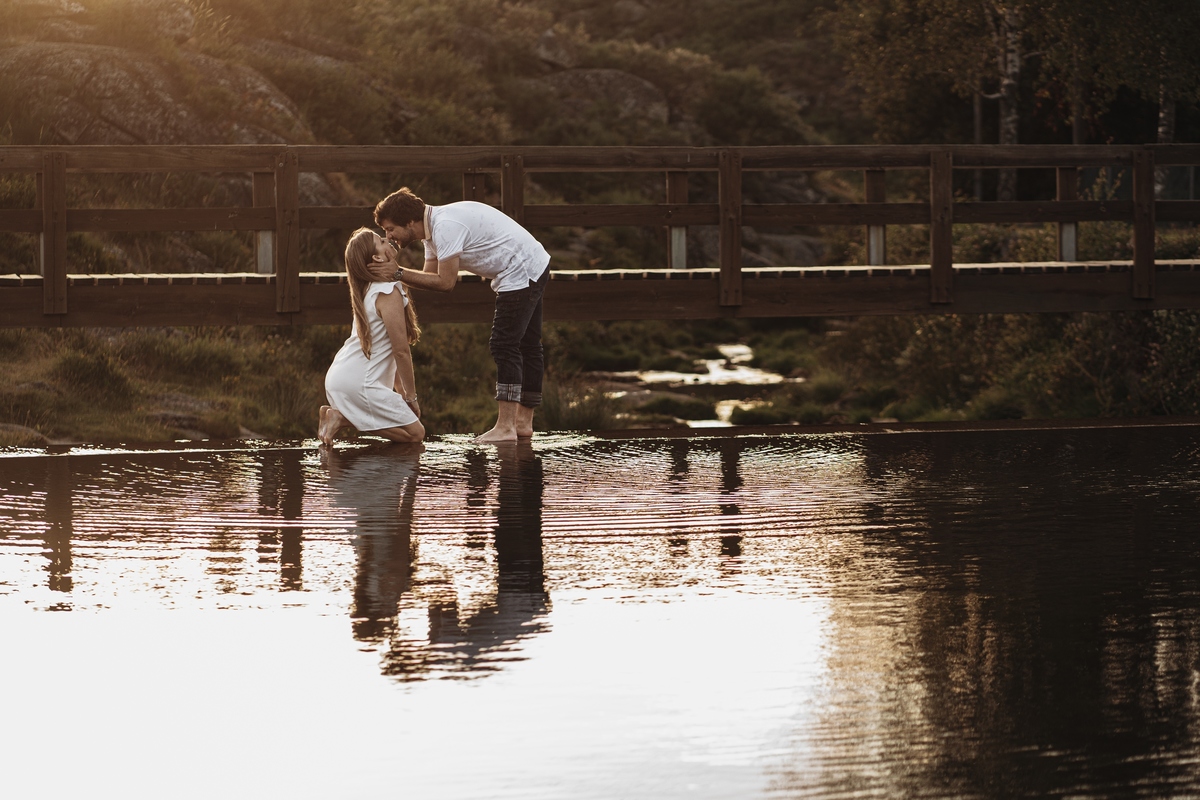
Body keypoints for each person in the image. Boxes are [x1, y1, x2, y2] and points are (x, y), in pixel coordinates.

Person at [374, 188, 550, 443]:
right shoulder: (431, 233)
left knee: (504, 344)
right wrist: (392, 276)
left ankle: (506, 427)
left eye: (390, 229)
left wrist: (397, 273)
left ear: (409, 222)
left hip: (520, 269)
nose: (388, 236)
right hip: (534, 260)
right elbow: (429, 278)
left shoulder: (445, 227)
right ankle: (522, 424)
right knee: (528, 345)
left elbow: (446, 283)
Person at [319, 227, 425, 447]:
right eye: (381, 241)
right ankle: (342, 419)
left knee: (411, 432)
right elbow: (401, 351)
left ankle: (340, 417)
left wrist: (401, 392)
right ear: (377, 257)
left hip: (341, 377)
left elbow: (390, 352)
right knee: (416, 434)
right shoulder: (387, 292)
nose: (387, 239)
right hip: (359, 383)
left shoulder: (368, 291)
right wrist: (411, 397)